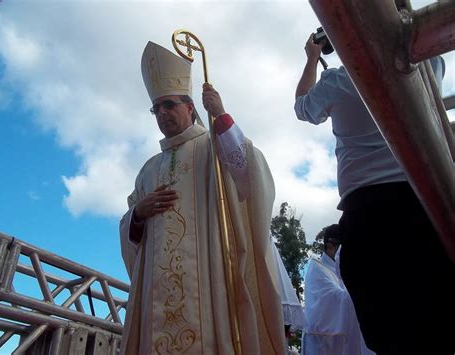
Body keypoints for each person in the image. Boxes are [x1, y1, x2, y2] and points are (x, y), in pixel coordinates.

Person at [119, 41, 285, 354]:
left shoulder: (212, 146)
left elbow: (248, 172)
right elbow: (130, 233)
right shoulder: (147, 170)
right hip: (157, 292)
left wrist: (220, 115)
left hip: (209, 283)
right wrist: (137, 214)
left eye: (170, 105)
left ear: (191, 107)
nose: (163, 113)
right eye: (157, 108)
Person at [294, 32, 454, 354]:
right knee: (440, 330)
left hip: (368, 215)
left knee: (390, 336)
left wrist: (312, 58)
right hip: (425, 207)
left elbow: (302, 107)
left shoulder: (336, 82)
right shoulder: (430, 65)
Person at [301, 224, 373, 355]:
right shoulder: (317, 269)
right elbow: (334, 302)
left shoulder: (340, 270)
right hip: (321, 345)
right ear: (330, 246)